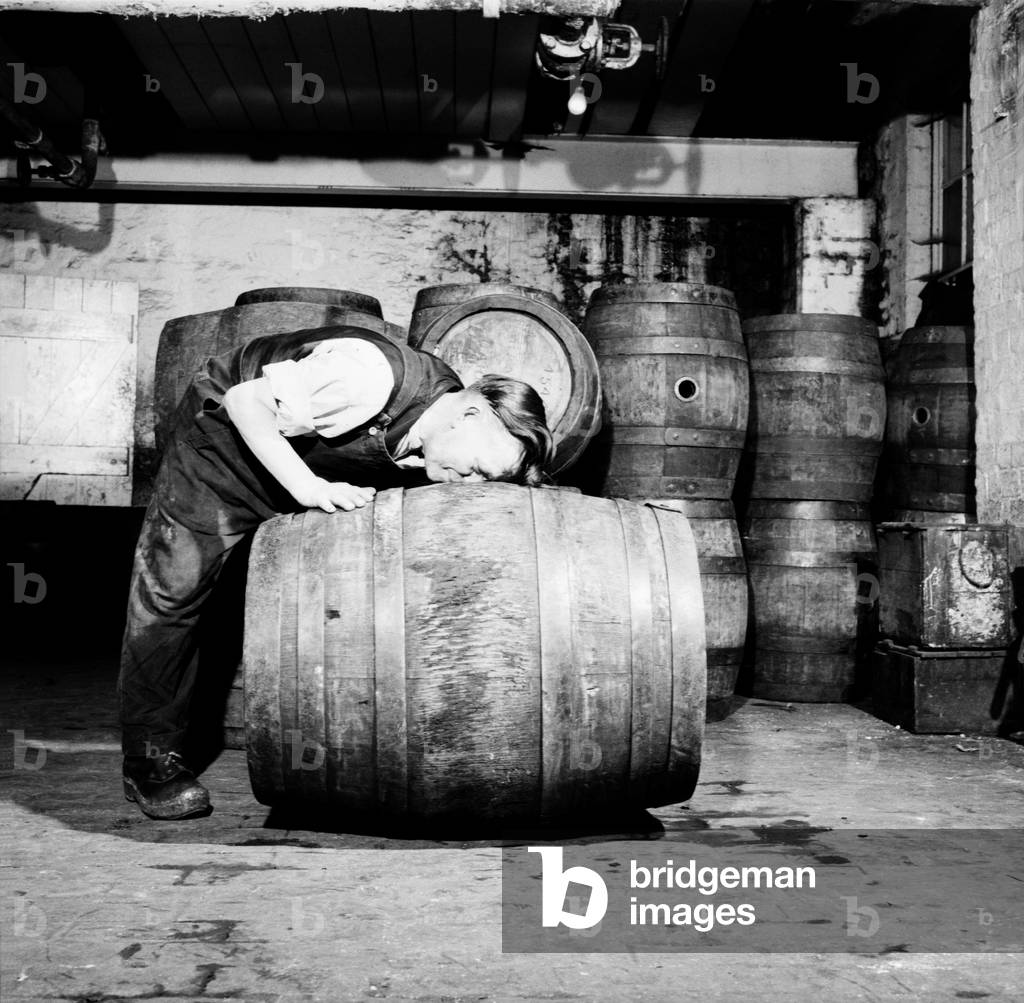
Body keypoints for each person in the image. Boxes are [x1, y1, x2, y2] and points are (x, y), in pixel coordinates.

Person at [119, 322, 554, 820]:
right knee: (172, 597)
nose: (470, 483)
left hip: (309, 465)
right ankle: (150, 763)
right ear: (471, 412)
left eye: (485, 480)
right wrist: (306, 488)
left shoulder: (440, 431)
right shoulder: (366, 377)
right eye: (477, 467)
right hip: (223, 453)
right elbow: (245, 403)